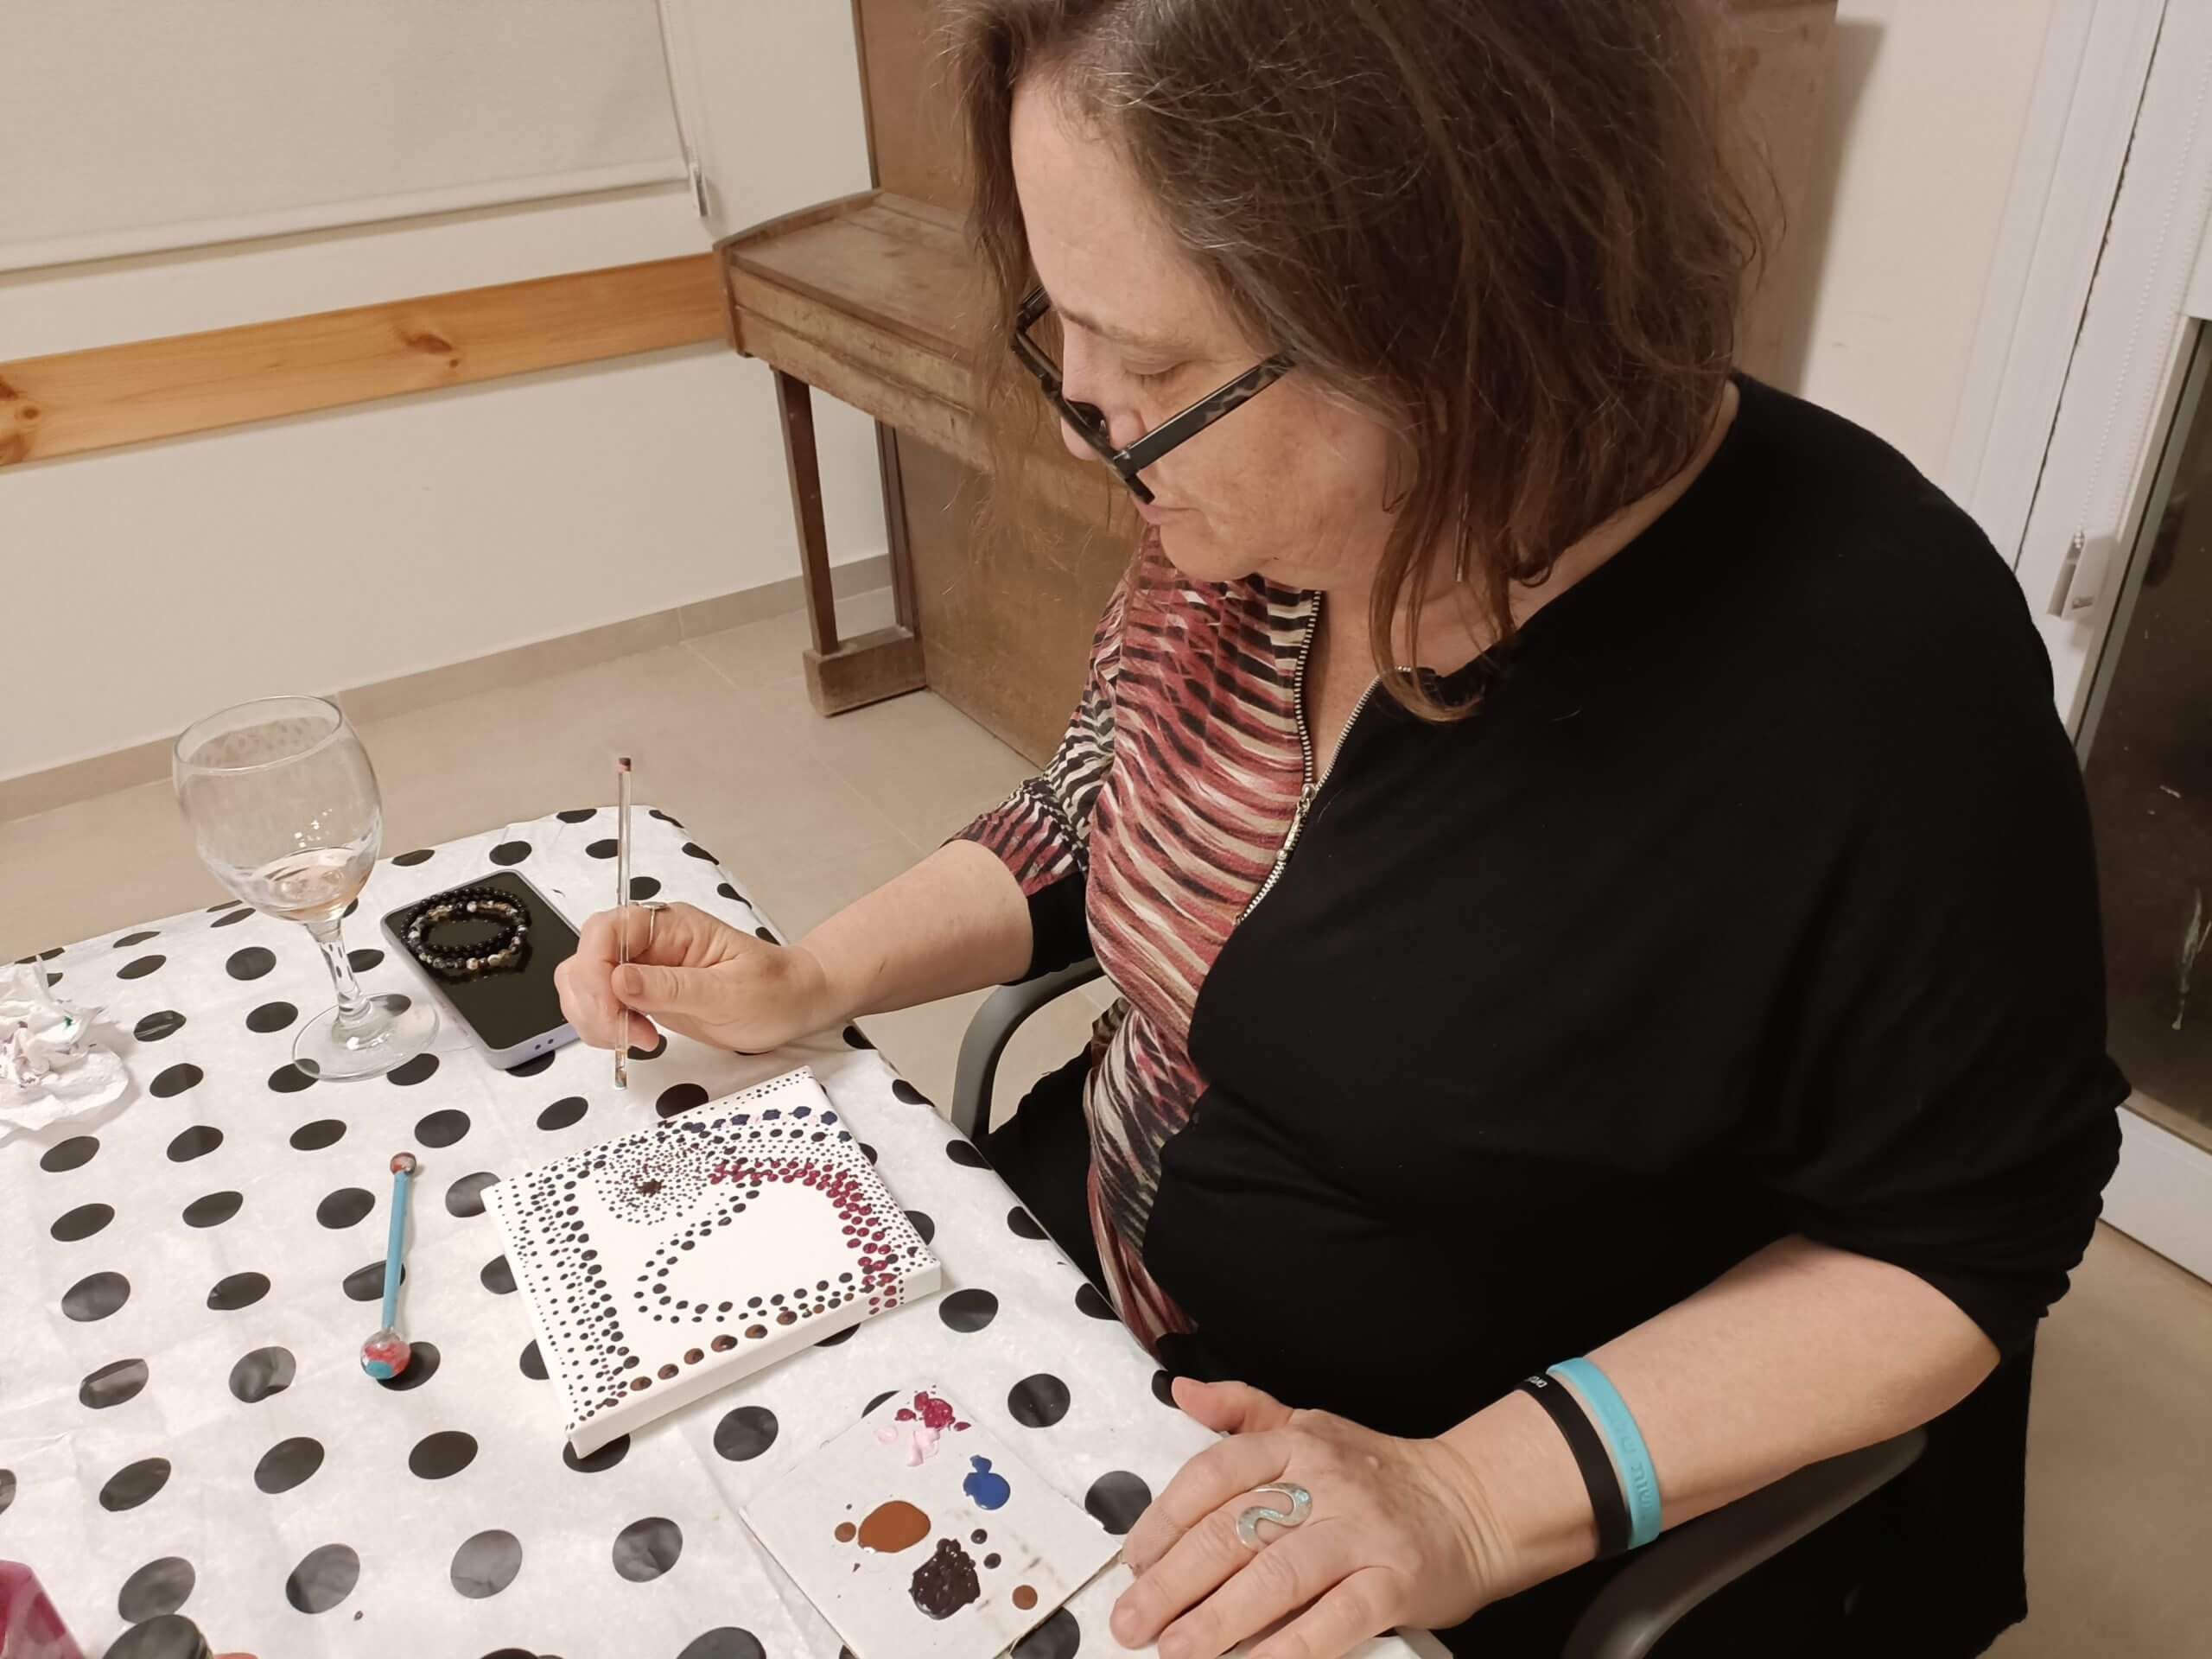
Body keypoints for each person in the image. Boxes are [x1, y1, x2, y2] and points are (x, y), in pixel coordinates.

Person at [555, 3, 2127, 1653]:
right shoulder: (1249, 516)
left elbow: (1957, 1236)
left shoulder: (1875, 665)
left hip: (1407, 1488)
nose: (1087, 406)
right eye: (1062, 321)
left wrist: (1467, 1499)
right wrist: (813, 975)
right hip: (1083, 1292)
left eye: (1154, 363)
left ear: (1456, 315)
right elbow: (1100, 801)